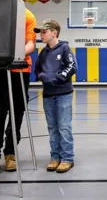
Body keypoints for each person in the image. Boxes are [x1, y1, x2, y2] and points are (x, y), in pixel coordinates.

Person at [0, 0, 37, 178]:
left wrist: (16, 54)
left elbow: (31, 43)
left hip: (20, 70)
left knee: (17, 113)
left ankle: (11, 153)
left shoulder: (28, 16)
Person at [34, 19, 77, 173]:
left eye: (44, 32)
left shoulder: (64, 48)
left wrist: (56, 78)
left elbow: (72, 67)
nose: (41, 35)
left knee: (64, 126)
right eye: (40, 32)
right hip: (48, 95)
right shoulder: (43, 52)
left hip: (63, 94)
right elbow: (37, 70)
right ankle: (55, 157)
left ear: (54, 33)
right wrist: (43, 77)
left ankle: (67, 158)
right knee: (52, 127)